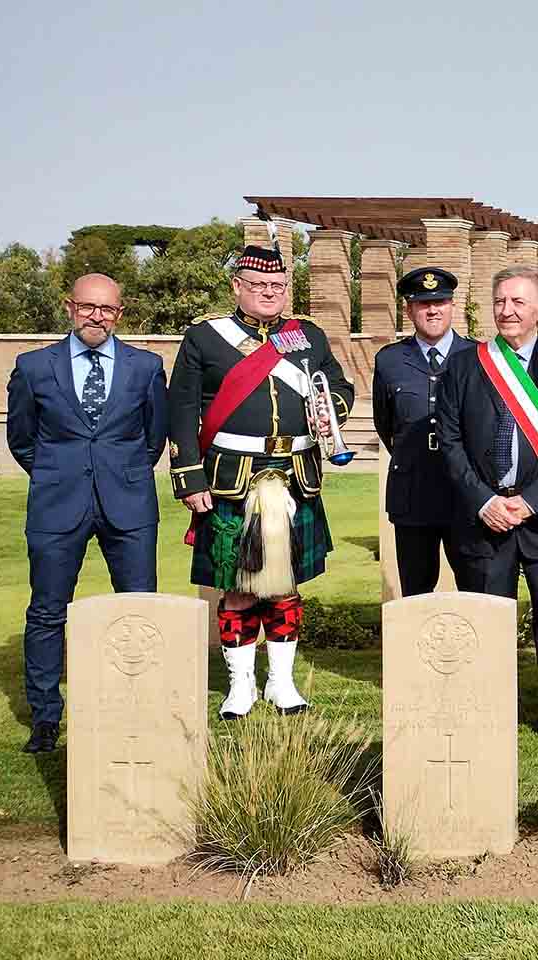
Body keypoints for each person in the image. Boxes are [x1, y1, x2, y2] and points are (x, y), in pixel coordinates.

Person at [169, 243, 353, 720]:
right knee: (238, 587)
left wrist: (332, 406)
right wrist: (189, 476)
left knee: (286, 585)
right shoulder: (207, 338)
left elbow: (341, 384)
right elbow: (182, 408)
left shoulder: (307, 334)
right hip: (231, 479)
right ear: (237, 286)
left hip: (296, 476)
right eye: (259, 285)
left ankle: (282, 682)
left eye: (278, 285)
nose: (270, 293)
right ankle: (240, 685)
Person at [6, 274, 168, 753]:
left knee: (140, 610)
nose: (97, 316)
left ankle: (138, 709)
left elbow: (152, 438)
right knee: (47, 612)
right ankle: (45, 718)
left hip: (129, 501)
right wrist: (60, 472)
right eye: (88, 307)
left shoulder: (145, 367)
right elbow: (22, 440)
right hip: (58, 503)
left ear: (120, 313)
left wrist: (122, 472)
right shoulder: (34, 367)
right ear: (70, 307)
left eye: (108, 309)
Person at [437, 265, 538, 753]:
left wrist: (530, 501)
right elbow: (449, 438)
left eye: (518, 302)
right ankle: (487, 708)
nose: (506, 310)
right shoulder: (465, 364)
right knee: (486, 619)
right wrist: (485, 500)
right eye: (500, 301)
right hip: (484, 518)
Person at [372, 267, 472, 595]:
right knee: (415, 591)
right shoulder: (390, 360)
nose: (433, 309)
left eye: (441, 301)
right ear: (409, 309)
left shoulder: (478, 356)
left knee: (476, 589)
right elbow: (385, 424)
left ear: (452, 305)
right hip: (412, 494)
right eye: (422, 303)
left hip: (466, 496)